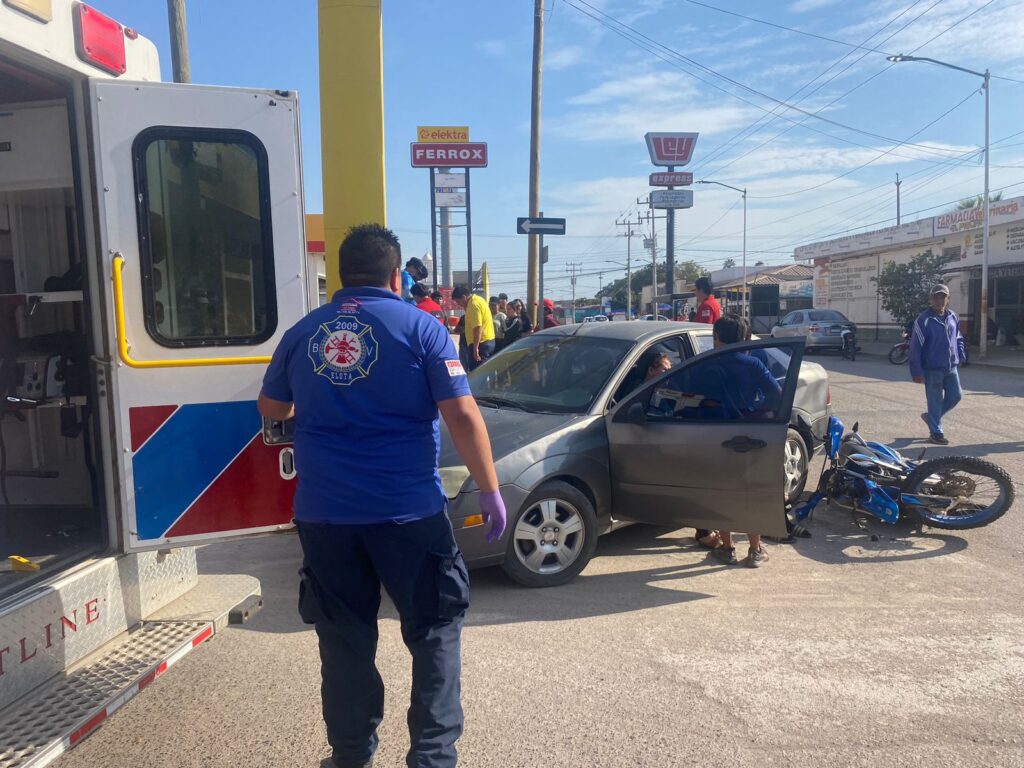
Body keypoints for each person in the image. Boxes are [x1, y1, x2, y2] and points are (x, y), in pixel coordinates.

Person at [258, 223, 506, 768]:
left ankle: (350, 757)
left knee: (344, 640)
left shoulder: (304, 332)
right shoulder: (425, 329)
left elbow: (272, 407)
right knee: (435, 629)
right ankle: (432, 758)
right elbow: (461, 414)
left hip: (326, 516)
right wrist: (489, 490)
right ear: (397, 276)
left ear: (342, 278)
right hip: (408, 512)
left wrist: (320, 405)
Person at [698, 315, 781, 568]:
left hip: (713, 435)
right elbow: (776, 395)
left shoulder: (705, 365)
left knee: (722, 491)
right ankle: (755, 550)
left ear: (716, 337)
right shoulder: (753, 365)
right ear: (744, 338)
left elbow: (685, 394)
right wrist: (755, 409)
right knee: (749, 492)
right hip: (748, 435)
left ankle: (727, 547)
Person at [910, 283, 967, 445]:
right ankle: (936, 432)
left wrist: (961, 354)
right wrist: (916, 371)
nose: (939, 300)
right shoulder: (924, 320)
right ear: (931, 299)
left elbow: (958, 338)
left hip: (951, 367)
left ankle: (931, 417)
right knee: (934, 400)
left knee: (956, 396)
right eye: (936, 297)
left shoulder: (952, 316)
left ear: (948, 299)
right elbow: (916, 347)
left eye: (943, 297)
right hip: (932, 369)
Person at [452, 285, 495, 372]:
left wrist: (475, 348)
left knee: (477, 373)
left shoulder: (473, 305)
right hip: (486, 342)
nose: (458, 304)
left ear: (464, 297)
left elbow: (477, 327)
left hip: (480, 343)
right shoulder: (479, 300)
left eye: (458, 301)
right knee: (483, 372)